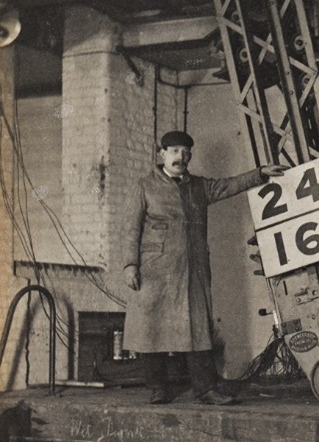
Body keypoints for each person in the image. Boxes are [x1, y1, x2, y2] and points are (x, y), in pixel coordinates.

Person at [121, 130, 288, 405]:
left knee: (197, 329)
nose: (181, 157)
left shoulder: (199, 186)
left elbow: (229, 185)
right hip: (155, 271)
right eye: (174, 151)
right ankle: (157, 388)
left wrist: (260, 173)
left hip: (193, 271)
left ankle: (205, 389)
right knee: (151, 329)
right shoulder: (144, 186)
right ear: (161, 154)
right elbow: (130, 229)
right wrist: (130, 265)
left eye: (186, 152)